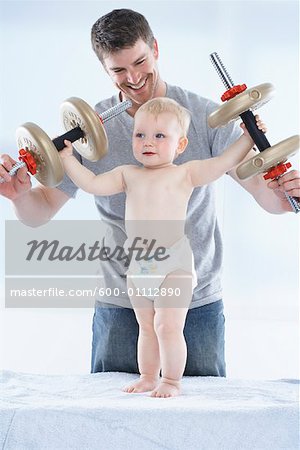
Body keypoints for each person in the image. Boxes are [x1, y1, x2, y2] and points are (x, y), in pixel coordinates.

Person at [0, 9, 299, 378]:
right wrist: (18, 196)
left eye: (140, 61)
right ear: (105, 69)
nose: (134, 77)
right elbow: (40, 211)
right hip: (123, 298)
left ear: (155, 48)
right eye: (119, 70)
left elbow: (262, 191)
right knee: (112, 421)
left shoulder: (204, 116)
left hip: (195, 298)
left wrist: (286, 195)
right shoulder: (89, 130)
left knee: (203, 420)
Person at [60, 97, 266, 397]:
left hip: (174, 265)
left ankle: (171, 380)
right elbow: (91, 183)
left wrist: (248, 137)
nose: (148, 142)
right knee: (146, 326)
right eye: (140, 135)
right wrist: (66, 158)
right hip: (138, 266)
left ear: (180, 145)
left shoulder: (185, 173)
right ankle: (147, 376)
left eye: (160, 136)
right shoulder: (127, 174)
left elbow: (224, 162)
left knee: (167, 327)